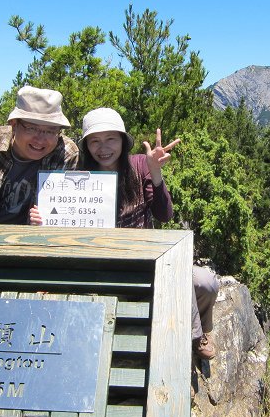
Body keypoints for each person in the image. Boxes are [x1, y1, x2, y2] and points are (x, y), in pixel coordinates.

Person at [30, 107, 219, 360]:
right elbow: (64, 230)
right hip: (103, 268)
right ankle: (190, 337)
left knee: (205, 282)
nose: (103, 147)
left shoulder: (140, 165)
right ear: (86, 146)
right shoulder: (76, 178)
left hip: (149, 260)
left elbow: (165, 215)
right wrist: (41, 222)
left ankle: (200, 333)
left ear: (122, 140)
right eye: (95, 141)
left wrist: (156, 173)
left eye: (111, 139)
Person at [0, 86, 79, 224]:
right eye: (31, 128)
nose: (40, 139)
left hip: (35, 239)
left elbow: (63, 213)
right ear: (14, 124)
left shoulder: (66, 153)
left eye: (50, 131)